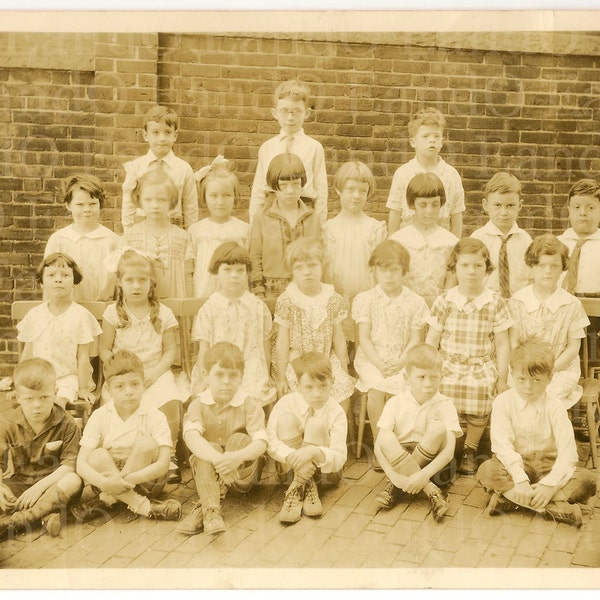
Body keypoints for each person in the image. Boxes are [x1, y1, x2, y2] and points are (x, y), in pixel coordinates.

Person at [477, 340, 597, 527]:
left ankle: (509, 501)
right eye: (522, 379)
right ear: (512, 375)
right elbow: (503, 447)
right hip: (517, 465)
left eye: (537, 380)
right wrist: (520, 479)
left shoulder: (555, 407)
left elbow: (568, 454)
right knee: (486, 470)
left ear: (550, 378)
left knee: (587, 480)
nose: (528, 387)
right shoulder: (503, 403)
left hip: (549, 465)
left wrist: (549, 485)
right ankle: (555, 507)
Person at [426, 238, 511, 476]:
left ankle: (470, 450)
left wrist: (502, 378)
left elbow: (503, 344)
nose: (471, 272)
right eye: (465, 266)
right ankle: (445, 446)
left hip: (479, 365)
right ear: (454, 267)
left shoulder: (494, 301)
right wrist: (429, 369)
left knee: (482, 390)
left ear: (487, 269)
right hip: (448, 364)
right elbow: (432, 340)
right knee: (441, 393)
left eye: (478, 266)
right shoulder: (446, 300)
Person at [100, 249, 186, 483]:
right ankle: (121, 455)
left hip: (154, 371)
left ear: (151, 282)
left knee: (169, 398)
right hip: (123, 373)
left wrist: (155, 373)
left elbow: (170, 351)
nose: (136, 286)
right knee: (115, 402)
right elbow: (104, 349)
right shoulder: (113, 313)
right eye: (129, 280)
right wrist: (120, 370)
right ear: (119, 282)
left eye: (142, 279)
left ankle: (168, 457)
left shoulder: (163, 313)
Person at [70, 350, 182, 523]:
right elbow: (81, 464)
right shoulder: (101, 415)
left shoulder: (154, 415)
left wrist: (122, 481)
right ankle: (142, 505)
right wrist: (105, 483)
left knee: (146, 443)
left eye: (135, 384)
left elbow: (163, 464)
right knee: (97, 455)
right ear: (108, 389)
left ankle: (108, 499)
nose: (128, 391)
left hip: (146, 481)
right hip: (107, 481)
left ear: (144, 385)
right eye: (120, 386)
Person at [177, 342, 267, 536]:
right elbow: (191, 437)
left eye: (233, 375)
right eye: (219, 375)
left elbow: (261, 443)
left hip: (243, 475)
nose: (226, 381)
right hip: (210, 471)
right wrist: (219, 460)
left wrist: (235, 458)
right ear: (205, 375)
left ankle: (203, 507)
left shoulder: (248, 403)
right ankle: (211, 513)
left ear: (241, 377)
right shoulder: (198, 404)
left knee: (238, 440)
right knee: (206, 448)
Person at [352, 240, 429, 447]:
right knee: (376, 390)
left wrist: (400, 363)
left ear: (404, 271)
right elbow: (365, 338)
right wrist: (379, 364)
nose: (388, 276)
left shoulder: (415, 302)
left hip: (403, 358)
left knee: (406, 389)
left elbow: (415, 340)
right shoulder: (365, 299)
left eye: (394, 270)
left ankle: (404, 441)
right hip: (371, 359)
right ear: (374, 271)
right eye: (383, 270)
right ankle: (381, 444)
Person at [374, 345, 461, 522]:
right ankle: (431, 491)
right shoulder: (395, 403)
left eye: (434, 377)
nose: (428, 384)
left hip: (436, 468)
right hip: (400, 462)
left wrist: (423, 475)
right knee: (385, 437)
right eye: (421, 377)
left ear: (441, 377)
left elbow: (449, 451)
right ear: (407, 378)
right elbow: (378, 447)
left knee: (437, 428)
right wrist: (394, 477)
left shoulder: (445, 405)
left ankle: (396, 490)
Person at [0, 359, 82, 539]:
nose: (37, 405)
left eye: (44, 397)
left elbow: (68, 466)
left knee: (73, 480)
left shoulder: (67, 423)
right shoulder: (7, 423)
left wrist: (38, 489)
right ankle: (44, 515)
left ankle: (19, 520)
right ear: (17, 397)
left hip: (53, 486)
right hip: (21, 485)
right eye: (29, 399)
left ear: (54, 393)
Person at [509, 234, 589, 409]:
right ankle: (523, 433)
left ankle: (549, 433)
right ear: (531, 267)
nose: (548, 271)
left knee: (549, 395)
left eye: (554, 266)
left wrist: (549, 370)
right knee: (520, 392)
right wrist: (526, 369)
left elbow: (573, 348)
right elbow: (514, 342)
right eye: (541, 265)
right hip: (523, 368)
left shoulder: (571, 304)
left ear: (563, 268)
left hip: (558, 369)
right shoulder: (518, 301)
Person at [191, 242, 276, 407]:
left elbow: (264, 347)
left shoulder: (258, 307)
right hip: (218, 365)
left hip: (251, 365)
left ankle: (250, 426)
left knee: (253, 391)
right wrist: (204, 376)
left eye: (240, 270)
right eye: (227, 270)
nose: (234, 276)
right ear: (216, 274)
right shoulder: (209, 308)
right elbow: (204, 349)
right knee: (217, 388)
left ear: (247, 274)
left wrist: (268, 373)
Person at [267, 352, 347, 524]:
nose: (317, 394)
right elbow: (271, 442)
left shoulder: (336, 411)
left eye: (323, 385)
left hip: (325, 475)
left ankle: (298, 489)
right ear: (297, 385)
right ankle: (306, 485)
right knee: (286, 420)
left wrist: (312, 451)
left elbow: (339, 457)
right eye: (309, 387)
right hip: (289, 468)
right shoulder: (286, 403)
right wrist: (293, 456)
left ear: (332, 381)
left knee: (315, 424)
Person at [274, 238, 354, 410]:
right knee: (299, 389)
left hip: (325, 357)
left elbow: (339, 339)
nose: (307, 272)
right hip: (297, 360)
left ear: (321, 267)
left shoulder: (332, 298)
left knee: (341, 384)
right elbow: (282, 341)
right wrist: (280, 377)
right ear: (292, 272)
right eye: (299, 268)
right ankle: (305, 430)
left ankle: (334, 429)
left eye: (312, 265)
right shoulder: (288, 300)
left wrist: (344, 370)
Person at [16, 253, 102, 409]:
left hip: (69, 376)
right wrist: (21, 383)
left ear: (74, 281)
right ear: (41, 283)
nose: (58, 279)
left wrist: (83, 388)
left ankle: (57, 424)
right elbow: (27, 355)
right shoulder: (35, 315)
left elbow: (84, 357)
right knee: (34, 400)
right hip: (39, 377)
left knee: (61, 398)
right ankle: (40, 428)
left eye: (65, 275)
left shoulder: (81, 316)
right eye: (51, 275)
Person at [322, 161, 387, 341]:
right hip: (336, 298)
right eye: (351, 189)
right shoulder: (328, 229)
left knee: (363, 342)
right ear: (338, 190)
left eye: (362, 191)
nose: (356, 196)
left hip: (367, 299)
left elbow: (380, 269)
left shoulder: (374, 229)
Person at [249, 79, 328, 227]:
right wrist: (254, 225)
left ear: (307, 113)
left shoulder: (314, 148)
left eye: (297, 111)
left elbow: (321, 190)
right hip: (271, 211)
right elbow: (258, 190)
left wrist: (320, 226)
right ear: (275, 113)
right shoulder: (267, 147)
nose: (290, 118)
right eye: (285, 111)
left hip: (304, 211)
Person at [249, 153, 321, 312]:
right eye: (284, 184)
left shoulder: (312, 217)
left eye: (296, 184)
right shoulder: (262, 217)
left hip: (305, 292)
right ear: (273, 185)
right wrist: (259, 293)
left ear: (303, 184)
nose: (290, 191)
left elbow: (318, 257)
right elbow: (254, 257)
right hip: (270, 294)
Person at [386, 107, 465, 237]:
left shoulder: (452, 175)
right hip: (409, 240)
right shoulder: (403, 173)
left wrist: (455, 248)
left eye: (436, 136)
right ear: (413, 142)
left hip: (440, 240)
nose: (432, 140)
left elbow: (456, 216)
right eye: (425, 136)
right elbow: (395, 213)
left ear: (441, 142)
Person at [45, 174, 121, 302]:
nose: (87, 209)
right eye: (80, 204)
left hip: (103, 310)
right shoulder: (59, 240)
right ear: (68, 205)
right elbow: (48, 281)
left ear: (100, 204)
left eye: (92, 204)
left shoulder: (112, 241)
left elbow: (120, 284)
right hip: (66, 310)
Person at [121, 104, 198, 231]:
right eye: (156, 133)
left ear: (175, 135)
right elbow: (129, 203)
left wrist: (189, 236)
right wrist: (128, 231)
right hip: (142, 231)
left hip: (173, 230)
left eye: (167, 132)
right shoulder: (136, 167)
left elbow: (190, 208)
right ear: (146, 135)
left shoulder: (184, 169)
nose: (162, 139)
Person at [123, 169, 194, 299]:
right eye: (148, 200)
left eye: (161, 200)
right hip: (143, 303)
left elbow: (188, 276)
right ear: (139, 201)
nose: (155, 205)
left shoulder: (183, 237)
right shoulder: (131, 236)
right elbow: (124, 277)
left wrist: (189, 309)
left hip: (176, 301)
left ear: (171, 202)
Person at [389, 172, 458, 302]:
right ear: (412, 204)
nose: (429, 211)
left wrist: (442, 305)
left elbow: (451, 280)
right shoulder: (398, 240)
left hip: (438, 309)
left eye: (435, 204)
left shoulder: (450, 242)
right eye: (423, 204)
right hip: (406, 307)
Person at [189, 158, 249, 300]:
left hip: (235, 297)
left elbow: (249, 269)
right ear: (204, 197)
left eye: (227, 195)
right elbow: (189, 269)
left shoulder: (244, 230)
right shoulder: (196, 230)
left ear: (235, 197)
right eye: (213, 196)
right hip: (203, 296)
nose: (220, 202)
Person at [557, 178, 600, 368]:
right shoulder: (556, 243)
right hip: (561, 312)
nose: (583, 213)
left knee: (591, 361)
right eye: (577, 207)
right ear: (569, 209)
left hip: (596, 317)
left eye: (591, 208)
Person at [470, 172, 532, 298]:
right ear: (485, 205)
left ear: (520, 205)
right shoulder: (478, 239)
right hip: (485, 302)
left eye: (510, 205)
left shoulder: (526, 240)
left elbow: (532, 276)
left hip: (519, 303)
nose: (504, 212)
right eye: (497, 205)